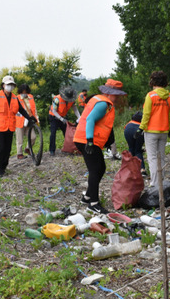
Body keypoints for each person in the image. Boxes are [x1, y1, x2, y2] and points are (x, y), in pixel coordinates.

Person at [74, 79, 127, 214]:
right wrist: (90, 141)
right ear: (109, 93)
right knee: (95, 169)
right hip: (87, 140)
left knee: (100, 167)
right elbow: (90, 119)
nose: (117, 97)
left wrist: (108, 142)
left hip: (88, 139)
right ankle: (93, 203)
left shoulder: (101, 101)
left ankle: (87, 197)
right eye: (116, 94)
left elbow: (105, 125)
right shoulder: (103, 103)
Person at [0, 76, 35, 176]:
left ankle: (4, 167)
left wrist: (29, 117)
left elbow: (21, 110)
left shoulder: (14, 97)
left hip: (9, 127)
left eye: (12, 85)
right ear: (3, 85)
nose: (10, 87)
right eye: (8, 84)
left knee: (7, 149)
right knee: (0, 148)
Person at [134, 71, 170, 187]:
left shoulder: (151, 96)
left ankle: (155, 184)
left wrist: (140, 128)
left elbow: (146, 114)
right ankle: (161, 181)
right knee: (161, 156)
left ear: (153, 82)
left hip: (151, 131)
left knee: (152, 158)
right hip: (164, 131)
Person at [48, 86, 81, 156]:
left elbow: (74, 108)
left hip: (63, 117)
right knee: (53, 133)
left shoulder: (72, 99)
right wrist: (61, 119)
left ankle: (69, 148)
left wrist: (79, 117)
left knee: (67, 132)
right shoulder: (57, 99)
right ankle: (52, 150)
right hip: (54, 117)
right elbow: (54, 111)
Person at [15, 84, 39, 159]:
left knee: (33, 137)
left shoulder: (31, 97)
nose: (24, 94)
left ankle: (28, 148)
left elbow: (34, 109)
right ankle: (19, 154)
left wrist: (36, 119)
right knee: (20, 139)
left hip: (29, 121)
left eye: (25, 92)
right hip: (20, 121)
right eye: (22, 92)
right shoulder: (16, 98)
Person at [124, 111, 146, 175]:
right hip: (139, 131)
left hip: (128, 130)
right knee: (138, 151)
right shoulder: (142, 124)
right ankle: (142, 170)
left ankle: (129, 169)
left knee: (131, 148)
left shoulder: (129, 123)